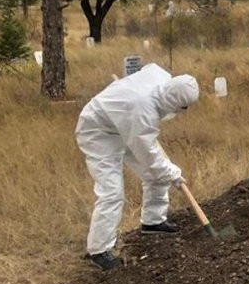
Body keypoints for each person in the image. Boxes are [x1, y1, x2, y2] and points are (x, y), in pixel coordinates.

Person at [75, 63, 199, 271]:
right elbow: (150, 156)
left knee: (156, 174)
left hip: (126, 124)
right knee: (112, 193)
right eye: (183, 108)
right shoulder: (143, 111)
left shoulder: (161, 76)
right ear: (174, 101)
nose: (183, 112)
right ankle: (99, 251)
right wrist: (174, 174)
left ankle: (153, 221)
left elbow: (147, 67)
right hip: (99, 131)